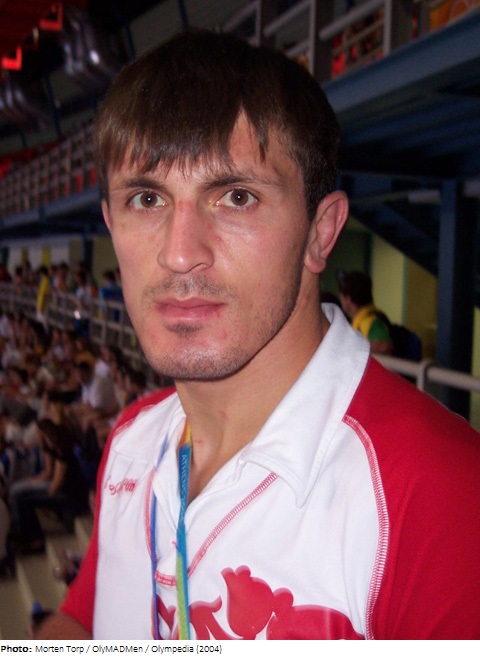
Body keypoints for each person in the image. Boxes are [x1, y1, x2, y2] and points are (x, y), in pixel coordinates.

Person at [37, 30, 480, 640]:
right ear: (111, 223)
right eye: (147, 198)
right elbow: (83, 620)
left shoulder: (442, 496)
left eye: (236, 197)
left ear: (321, 233)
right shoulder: (133, 439)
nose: (179, 254)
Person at [338, 271, 393, 355]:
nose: (340, 299)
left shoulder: (370, 322)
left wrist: (354, 347)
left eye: (341, 296)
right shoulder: (362, 320)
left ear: (348, 298)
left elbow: (384, 347)